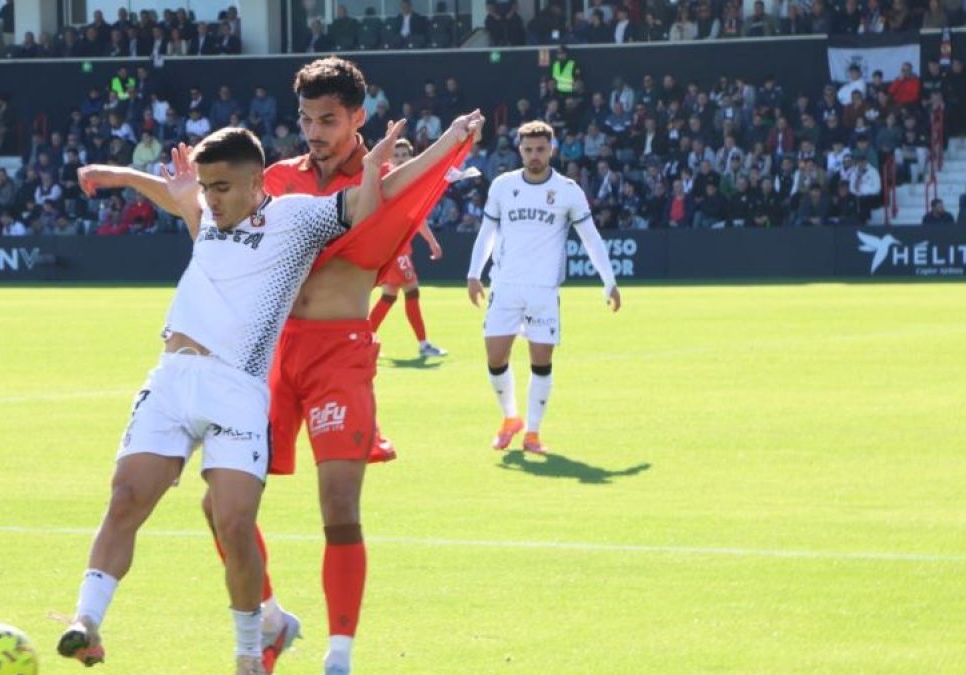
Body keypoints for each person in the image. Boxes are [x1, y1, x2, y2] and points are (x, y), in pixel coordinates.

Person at [76, 57, 479, 674]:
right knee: (220, 510)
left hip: (338, 349)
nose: (314, 131)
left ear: (357, 118)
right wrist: (129, 177)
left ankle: (338, 656)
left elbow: (387, 199)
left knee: (338, 503)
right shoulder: (275, 180)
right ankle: (267, 620)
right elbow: (207, 212)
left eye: (328, 120)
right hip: (270, 354)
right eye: (306, 119)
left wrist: (444, 153)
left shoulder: (379, 175)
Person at [466, 121, 621, 455]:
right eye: (528, 149)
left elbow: (591, 239)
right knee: (495, 357)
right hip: (505, 285)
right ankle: (510, 419)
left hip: (543, 290)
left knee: (541, 361)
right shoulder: (503, 186)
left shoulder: (568, 191)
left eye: (540, 149)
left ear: (552, 150)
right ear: (519, 150)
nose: (534, 156)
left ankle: (533, 433)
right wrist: (474, 273)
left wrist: (609, 281)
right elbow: (487, 233)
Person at [368, 138, 449, 358]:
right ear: (390, 158)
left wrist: (430, 240)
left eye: (405, 155)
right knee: (411, 290)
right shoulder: (390, 179)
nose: (401, 159)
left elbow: (415, 216)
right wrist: (431, 241)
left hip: (396, 245)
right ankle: (423, 344)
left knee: (389, 295)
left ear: (411, 157)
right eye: (397, 155)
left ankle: (365, 340)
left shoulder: (404, 181)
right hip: (392, 247)